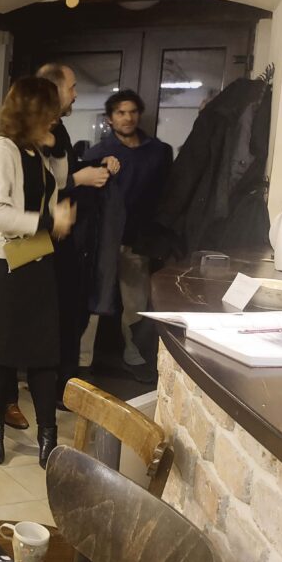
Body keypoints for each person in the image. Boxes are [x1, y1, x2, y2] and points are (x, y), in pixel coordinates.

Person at [0, 76, 74, 468]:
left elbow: (58, 183)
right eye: (50, 111)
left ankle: (49, 436)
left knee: (44, 351)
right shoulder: (4, 149)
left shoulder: (34, 149)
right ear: (31, 110)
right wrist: (46, 221)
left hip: (34, 255)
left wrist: (57, 146)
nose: (56, 117)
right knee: (1, 353)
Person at [34, 63, 120, 414]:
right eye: (71, 87)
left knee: (70, 313)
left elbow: (63, 170)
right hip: (41, 239)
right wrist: (78, 180)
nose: (75, 94)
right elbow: (36, 185)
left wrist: (96, 163)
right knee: (58, 315)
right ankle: (55, 389)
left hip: (62, 238)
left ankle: (62, 387)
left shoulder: (60, 129)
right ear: (54, 90)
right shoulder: (35, 133)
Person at [82, 90, 173, 383]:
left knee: (136, 302)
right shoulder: (98, 153)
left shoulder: (157, 152)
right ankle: (81, 361)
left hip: (139, 240)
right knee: (93, 298)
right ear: (110, 118)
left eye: (132, 111)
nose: (128, 117)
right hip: (102, 240)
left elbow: (166, 195)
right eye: (121, 112)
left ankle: (137, 356)